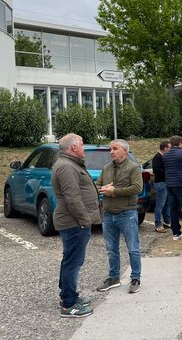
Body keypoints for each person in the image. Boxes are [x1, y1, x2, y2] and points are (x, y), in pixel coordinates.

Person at [52, 133, 100, 318]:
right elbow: (72, 198)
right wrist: (85, 220)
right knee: (73, 262)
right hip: (74, 222)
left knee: (70, 260)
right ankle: (68, 305)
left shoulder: (70, 164)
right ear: (73, 148)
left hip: (75, 222)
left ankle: (68, 295)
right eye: (81, 144)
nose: (83, 147)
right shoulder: (66, 166)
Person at [96, 139, 143, 294]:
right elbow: (97, 185)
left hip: (127, 214)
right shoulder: (106, 168)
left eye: (115, 149)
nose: (111, 152)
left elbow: (137, 188)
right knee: (111, 249)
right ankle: (114, 277)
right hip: (108, 214)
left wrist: (114, 191)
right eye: (110, 149)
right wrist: (103, 188)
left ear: (125, 151)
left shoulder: (133, 168)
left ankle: (135, 277)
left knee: (133, 248)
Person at [152, 140, 171, 233]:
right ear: (164, 148)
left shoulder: (165, 156)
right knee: (160, 204)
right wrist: (167, 172)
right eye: (169, 147)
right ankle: (158, 224)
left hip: (166, 182)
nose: (170, 149)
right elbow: (156, 170)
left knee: (167, 204)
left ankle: (167, 222)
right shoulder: (157, 157)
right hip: (161, 183)